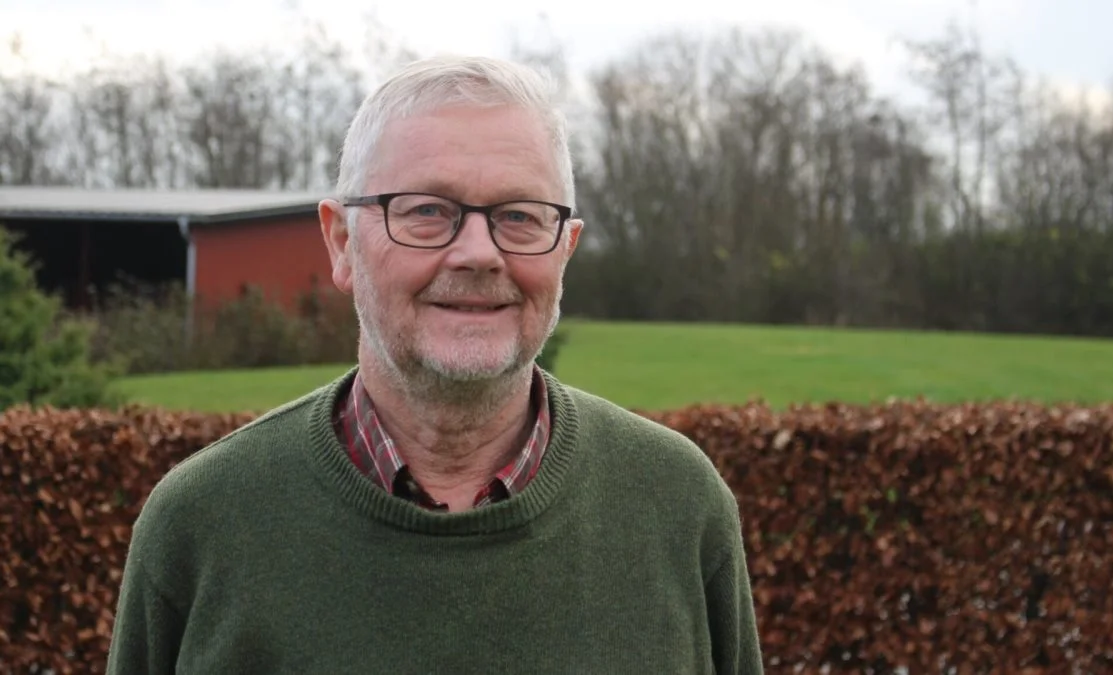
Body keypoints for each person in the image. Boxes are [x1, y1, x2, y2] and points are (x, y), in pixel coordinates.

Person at [106, 54, 763, 674]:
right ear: (341, 242)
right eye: (426, 211)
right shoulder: (201, 523)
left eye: (519, 216)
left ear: (566, 247)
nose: (479, 253)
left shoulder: (678, 506)